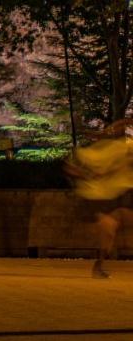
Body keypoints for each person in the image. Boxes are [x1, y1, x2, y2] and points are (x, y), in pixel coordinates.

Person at [65, 118, 133, 278]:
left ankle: (99, 265)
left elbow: (121, 125)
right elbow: (70, 168)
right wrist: (88, 175)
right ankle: (99, 265)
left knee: (110, 228)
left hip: (113, 195)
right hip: (97, 197)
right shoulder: (91, 153)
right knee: (108, 228)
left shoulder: (121, 148)